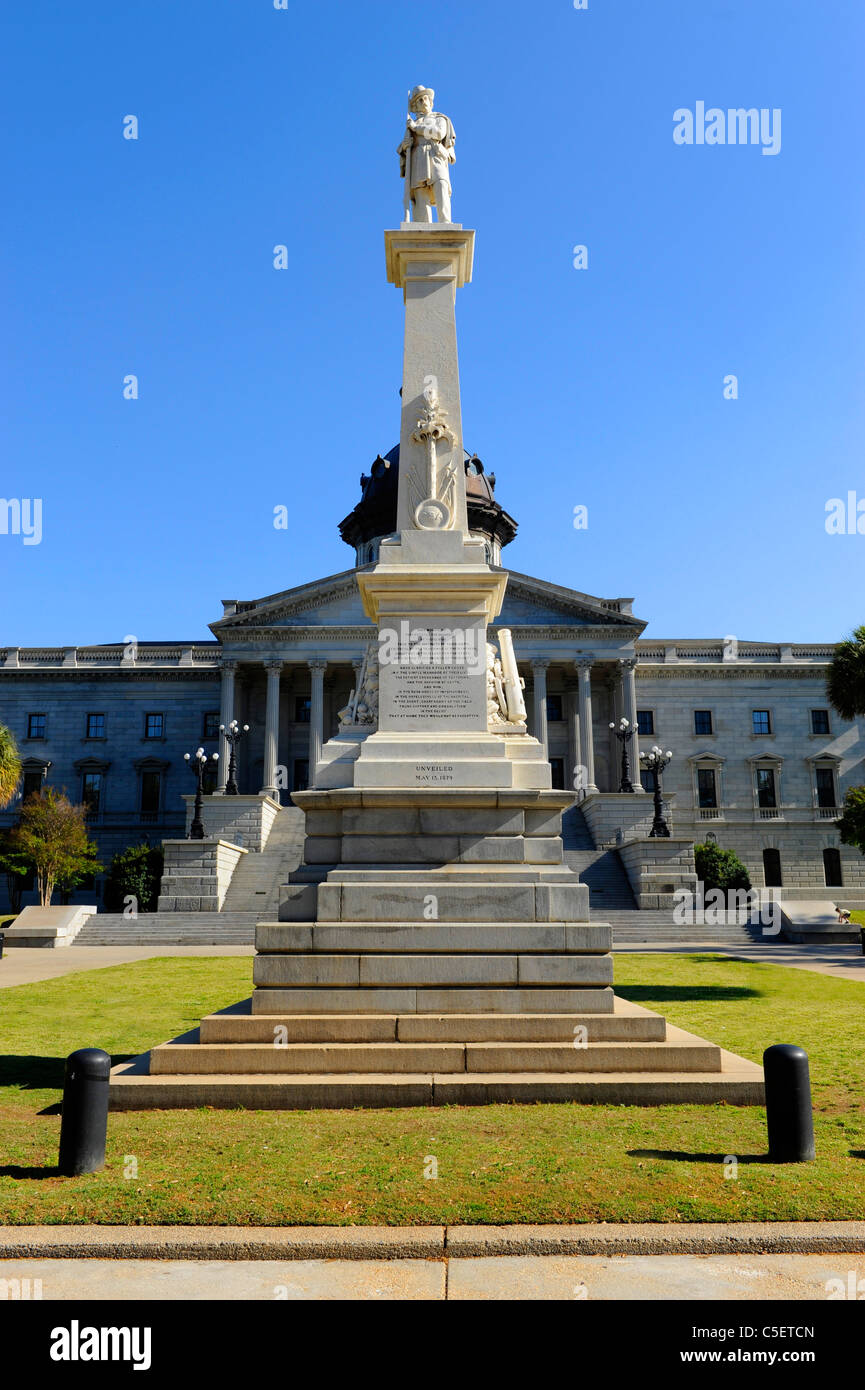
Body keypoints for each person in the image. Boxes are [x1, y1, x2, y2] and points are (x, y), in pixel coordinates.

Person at [398, 86, 455, 223]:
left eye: (425, 98)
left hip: (436, 155)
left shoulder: (439, 118)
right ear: (415, 106)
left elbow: (438, 133)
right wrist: (405, 146)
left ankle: (445, 222)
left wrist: (416, 128)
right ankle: (422, 226)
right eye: (419, 100)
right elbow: (402, 149)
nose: (424, 102)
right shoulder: (411, 125)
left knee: (441, 185)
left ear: (431, 102)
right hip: (418, 158)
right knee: (420, 193)